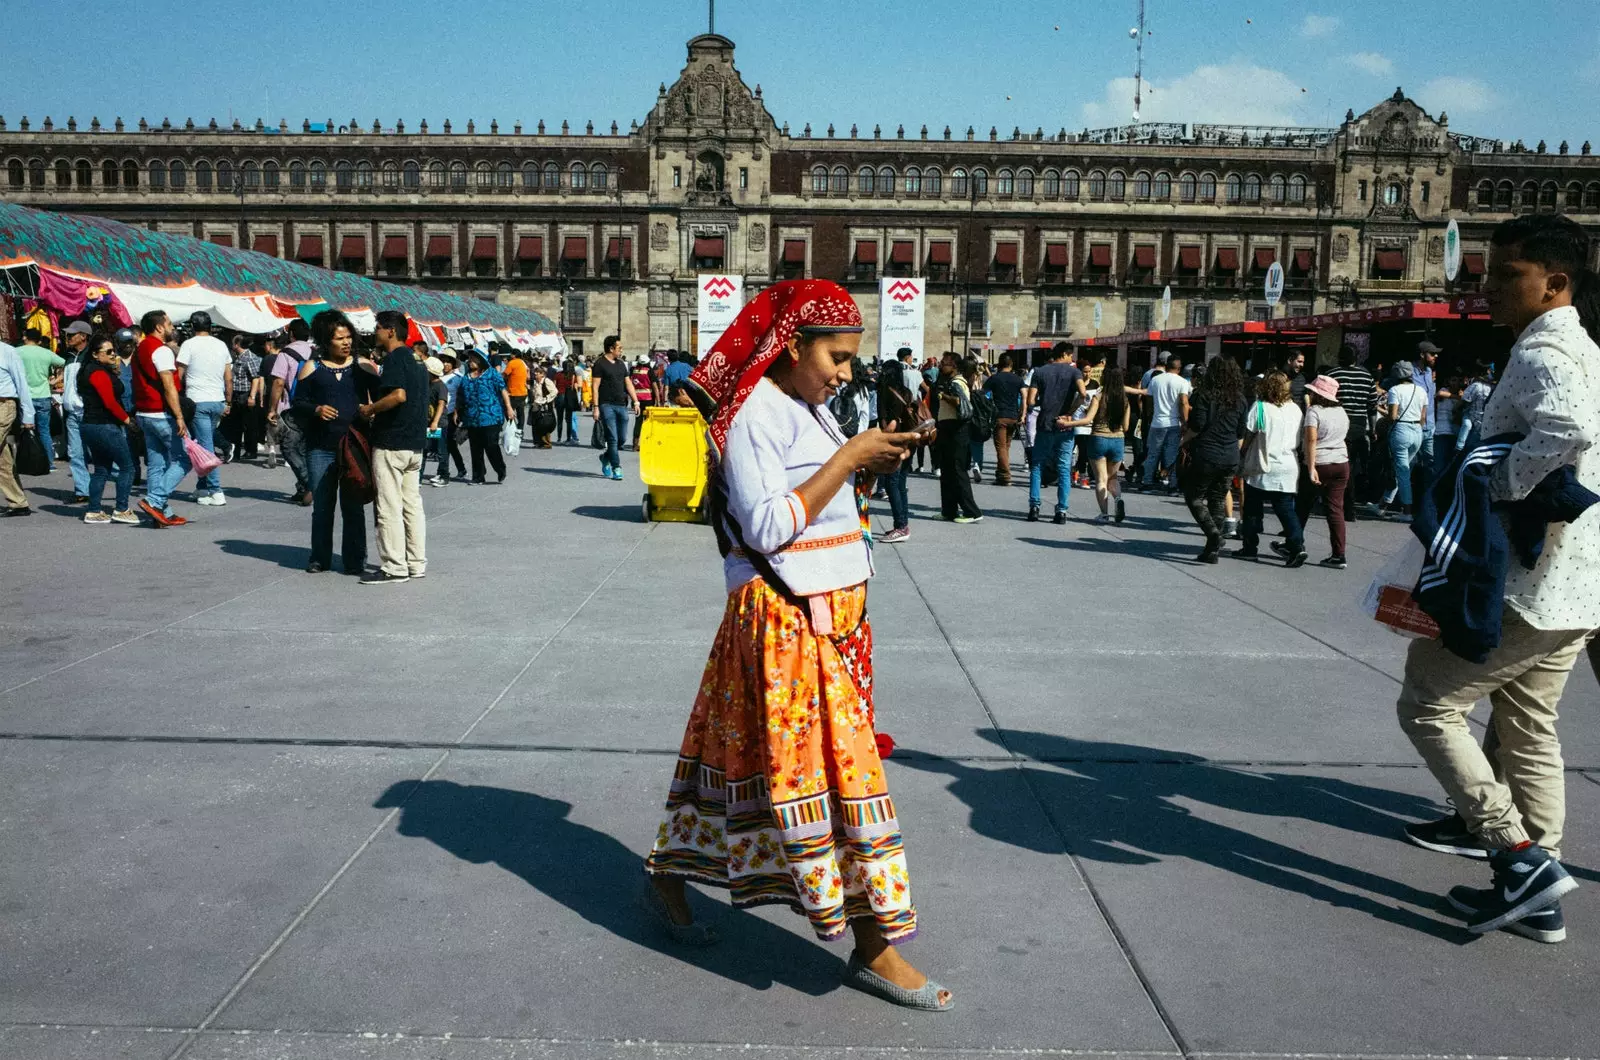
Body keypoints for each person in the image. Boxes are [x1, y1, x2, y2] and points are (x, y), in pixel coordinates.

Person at [641, 279, 950, 1011]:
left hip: (828, 616)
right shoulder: (756, 416)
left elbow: (822, 507)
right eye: (837, 357)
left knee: (736, 754)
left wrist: (873, 460)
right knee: (846, 782)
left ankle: (667, 873)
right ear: (792, 346)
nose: (846, 372)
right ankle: (874, 948)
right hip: (786, 620)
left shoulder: (810, 409)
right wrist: (849, 460)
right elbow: (771, 525)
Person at [1397, 214, 1600, 942]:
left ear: (1556, 283)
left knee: (1426, 702)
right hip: (1579, 585)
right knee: (1528, 726)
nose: (1488, 286)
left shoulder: (1545, 348)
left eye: (1506, 274)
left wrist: (1499, 483)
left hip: (1529, 580)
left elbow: (1567, 429)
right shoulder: (1585, 348)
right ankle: (1539, 889)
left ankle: (1517, 859)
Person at [293, 311, 373, 575]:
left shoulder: (362, 366)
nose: (346, 342)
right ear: (327, 341)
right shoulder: (311, 367)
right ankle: (319, 558)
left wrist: (370, 409)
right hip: (321, 449)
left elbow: (380, 397)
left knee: (353, 507)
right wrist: (316, 409)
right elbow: (298, 404)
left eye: (349, 337)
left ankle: (355, 560)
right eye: (340, 338)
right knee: (323, 507)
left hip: (354, 448)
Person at [358, 311, 429, 586]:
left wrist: (370, 409)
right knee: (412, 505)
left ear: (389, 331)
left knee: (388, 506)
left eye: (377, 328)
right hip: (414, 443)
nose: (375, 333)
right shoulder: (417, 360)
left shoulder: (395, 359)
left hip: (391, 441)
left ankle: (394, 566)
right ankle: (416, 562)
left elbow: (398, 395)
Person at [1181, 357, 1248, 563]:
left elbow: (1197, 425)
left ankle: (1214, 535)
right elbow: (1240, 431)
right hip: (1230, 456)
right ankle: (1211, 551)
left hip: (1207, 454)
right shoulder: (1240, 399)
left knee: (1194, 497)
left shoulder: (1204, 395)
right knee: (1218, 499)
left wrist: (1182, 441)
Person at [1236, 371, 1306, 566]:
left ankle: (1250, 547)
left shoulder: (1260, 408)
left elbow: (1249, 436)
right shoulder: (1295, 409)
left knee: (1252, 508)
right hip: (1288, 464)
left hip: (1262, 464)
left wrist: (1242, 455)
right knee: (1285, 509)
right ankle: (1296, 545)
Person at [130, 311, 191, 528]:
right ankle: (155, 501)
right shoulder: (161, 350)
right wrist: (179, 416)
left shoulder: (140, 349)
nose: (171, 327)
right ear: (159, 327)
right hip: (161, 413)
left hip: (144, 413)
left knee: (157, 464)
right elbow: (169, 386)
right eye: (168, 323)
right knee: (185, 458)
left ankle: (161, 511)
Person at [75, 334, 139, 525]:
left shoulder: (94, 370)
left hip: (91, 425)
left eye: (114, 351)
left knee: (102, 469)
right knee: (127, 467)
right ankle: (121, 509)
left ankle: (94, 510)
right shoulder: (97, 373)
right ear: (95, 354)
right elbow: (109, 402)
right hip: (103, 425)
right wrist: (128, 420)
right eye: (109, 351)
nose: (113, 354)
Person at [1025, 341, 1086, 523]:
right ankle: (1061, 511)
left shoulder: (1040, 371)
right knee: (1064, 468)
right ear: (1066, 354)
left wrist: (1038, 406)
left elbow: (1030, 400)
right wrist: (1069, 412)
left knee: (1037, 465)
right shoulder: (1074, 372)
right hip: (1065, 425)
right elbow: (1083, 394)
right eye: (1071, 355)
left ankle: (1034, 507)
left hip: (1045, 423)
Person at [177, 311, 232, 505]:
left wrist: (177, 398)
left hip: (198, 400)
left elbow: (179, 374)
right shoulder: (221, 345)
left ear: (192, 326)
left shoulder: (188, 345)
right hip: (217, 400)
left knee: (205, 447)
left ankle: (216, 490)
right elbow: (228, 377)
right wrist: (228, 401)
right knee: (202, 444)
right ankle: (202, 488)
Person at [1301, 376, 1351, 569]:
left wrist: (1311, 467)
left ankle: (1294, 543)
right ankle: (1339, 554)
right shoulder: (1341, 411)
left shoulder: (1314, 411)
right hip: (1341, 462)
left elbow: (1311, 440)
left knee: (1303, 505)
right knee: (1335, 510)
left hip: (1320, 462)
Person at [1325, 344, 1378, 520]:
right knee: (1351, 466)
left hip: (1338, 422)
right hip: (1358, 425)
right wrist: (1372, 430)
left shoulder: (1332, 375)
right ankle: (1350, 507)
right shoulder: (1367, 377)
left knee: (1337, 464)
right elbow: (1372, 406)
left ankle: (1339, 503)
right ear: (1357, 357)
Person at [266, 319, 314, 506]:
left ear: (291, 334)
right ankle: (302, 489)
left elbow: (278, 383)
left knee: (289, 447)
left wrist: (271, 409)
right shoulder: (316, 352)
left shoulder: (285, 354)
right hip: (315, 407)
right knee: (304, 448)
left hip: (293, 409)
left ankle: (309, 483)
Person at [1073, 366, 1129, 524]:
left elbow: (1087, 420)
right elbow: (1126, 427)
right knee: (1113, 477)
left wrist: (1068, 423)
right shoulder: (1124, 400)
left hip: (1098, 438)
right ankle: (1118, 499)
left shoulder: (1099, 396)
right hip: (1118, 439)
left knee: (1100, 480)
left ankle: (1104, 514)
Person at [875, 354, 919, 542]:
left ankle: (900, 526)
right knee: (900, 484)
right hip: (910, 441)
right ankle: (903, 524)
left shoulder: (885, 392)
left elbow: (888, 424)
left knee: (892, 483)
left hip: (895, 442)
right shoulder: (906, 391)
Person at [934, 352, 982, 523]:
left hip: (957, 430)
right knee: (947, 472)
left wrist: (943, 396)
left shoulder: (957, 383)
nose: (941, 365)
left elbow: (961, 403)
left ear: (953, 365)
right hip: (948, 429)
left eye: (944, 362)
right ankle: (949, 510)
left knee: (957, 471)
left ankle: (972, 512)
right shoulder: (949, 381)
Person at [456, 349, 513, 483]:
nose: (470, 362)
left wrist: (509, 408)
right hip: (472, 418)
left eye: (472, 359)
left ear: (480, 360)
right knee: (475, 449)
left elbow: (503, 390)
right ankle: (478, 476)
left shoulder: (492, 373)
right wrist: (457, 412)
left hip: (491, 416)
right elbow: (461, 397)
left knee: (491, 445)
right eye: (469, 359)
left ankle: (500, 468)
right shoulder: (466, 377)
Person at [1381, 359, 1428, 518]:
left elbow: (1392, 416)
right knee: (1402, 469)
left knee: (1402, 472)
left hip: (1401, 430)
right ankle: (1384, 504)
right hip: (1417, 432)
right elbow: (1423, 417)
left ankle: (1407, 511)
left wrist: (1380, 410)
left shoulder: (1395, 390)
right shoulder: (1421, 391)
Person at [1141, 354, 1191, 494]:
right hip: (1174, 423)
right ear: (1179, 368)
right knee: (1171, 455)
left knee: (1152, 454)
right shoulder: (1182, 382)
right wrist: (1185, 421)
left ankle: (1147, 483)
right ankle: (1172, 485)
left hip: (1157, 422)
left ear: (1166, 365)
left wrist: (1150, 416)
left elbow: (1149, 401)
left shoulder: (1155, 380)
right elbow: (1183, 402)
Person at [16, 328, 65, 473]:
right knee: (44, 431)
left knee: (25, 431)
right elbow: (64, 364)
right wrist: (56, 380)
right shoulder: (46, 353)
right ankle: (49, 463)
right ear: (38, 340)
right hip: (43, 395)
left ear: (25, 337)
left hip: (25, 396)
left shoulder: (17, 352)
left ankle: (27, 462)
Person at [592, 335, 639, 480]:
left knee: (622, 438)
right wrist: (596, 407)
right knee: (612, 438)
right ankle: (616, 467)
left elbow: (628, 383)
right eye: (619, 348)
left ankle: (606, 457)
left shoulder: (621, 364)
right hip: (606, 405)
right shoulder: (600, 364)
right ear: (611, 348)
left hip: (621, 404)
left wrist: (635, 401)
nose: (621, 350)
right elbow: (595, 387)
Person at [0, 338, 37, 516]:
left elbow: (22, 383)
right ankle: (18, 503)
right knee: (2, 461)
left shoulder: (7, 352)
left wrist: (28, 415)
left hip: (4, 406)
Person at [60, 321, 94, 503]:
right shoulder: (69, 356)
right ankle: (83, 490)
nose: (69, 337)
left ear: (83, 336)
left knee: (98, 451)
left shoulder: (91, 357)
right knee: (75, 453)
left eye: (72, 334)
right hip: (71, 412)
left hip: (88, 411)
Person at [222, 333, 263, 462]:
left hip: (246, 394)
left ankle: (251, 450)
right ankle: (236, 451)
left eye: (233, 344)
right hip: (237, 394)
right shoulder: (238, 357)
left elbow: (255, 378)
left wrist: (252, 396)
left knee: (249, 424)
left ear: (237, 344)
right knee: (236, 424)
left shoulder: (249, 357)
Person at [420, 356, 450, 483]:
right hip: (426, 422)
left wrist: (435, 422)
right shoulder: (426, 384)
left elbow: (441, 404)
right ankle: (418, 477)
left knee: (441, 451)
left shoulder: (440, 386)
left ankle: (444, 476)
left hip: (439, 424)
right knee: (423, 450)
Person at [528, 363, 558, 449]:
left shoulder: (547, 381)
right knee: (536, 424)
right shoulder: (536, 382)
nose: (536, 374)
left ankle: (546, 443)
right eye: (535, 372)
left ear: (542, 374)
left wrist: (546, 400)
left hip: (545, 407)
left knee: (545, 424)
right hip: (536, 405)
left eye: (538, 373)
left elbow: (555, 391)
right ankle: (538, 442)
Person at [502, 349, 529, 438]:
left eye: (511, 354)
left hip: (514, 392)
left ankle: (514, 427)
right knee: (521, 411)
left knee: (507, 410)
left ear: (514, 355)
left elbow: (505, 374)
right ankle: (520, 430)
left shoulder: (512, 362)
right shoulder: (522, 362)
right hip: (523, 391)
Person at [630, 358, 655, 448]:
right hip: (648, 399)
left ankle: (635, 444)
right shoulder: (649, 371)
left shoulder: (634, 371)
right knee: (648, 421)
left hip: (636, 399)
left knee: (638, 421)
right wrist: (658, 400)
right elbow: (654, 385)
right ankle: (647, 443)